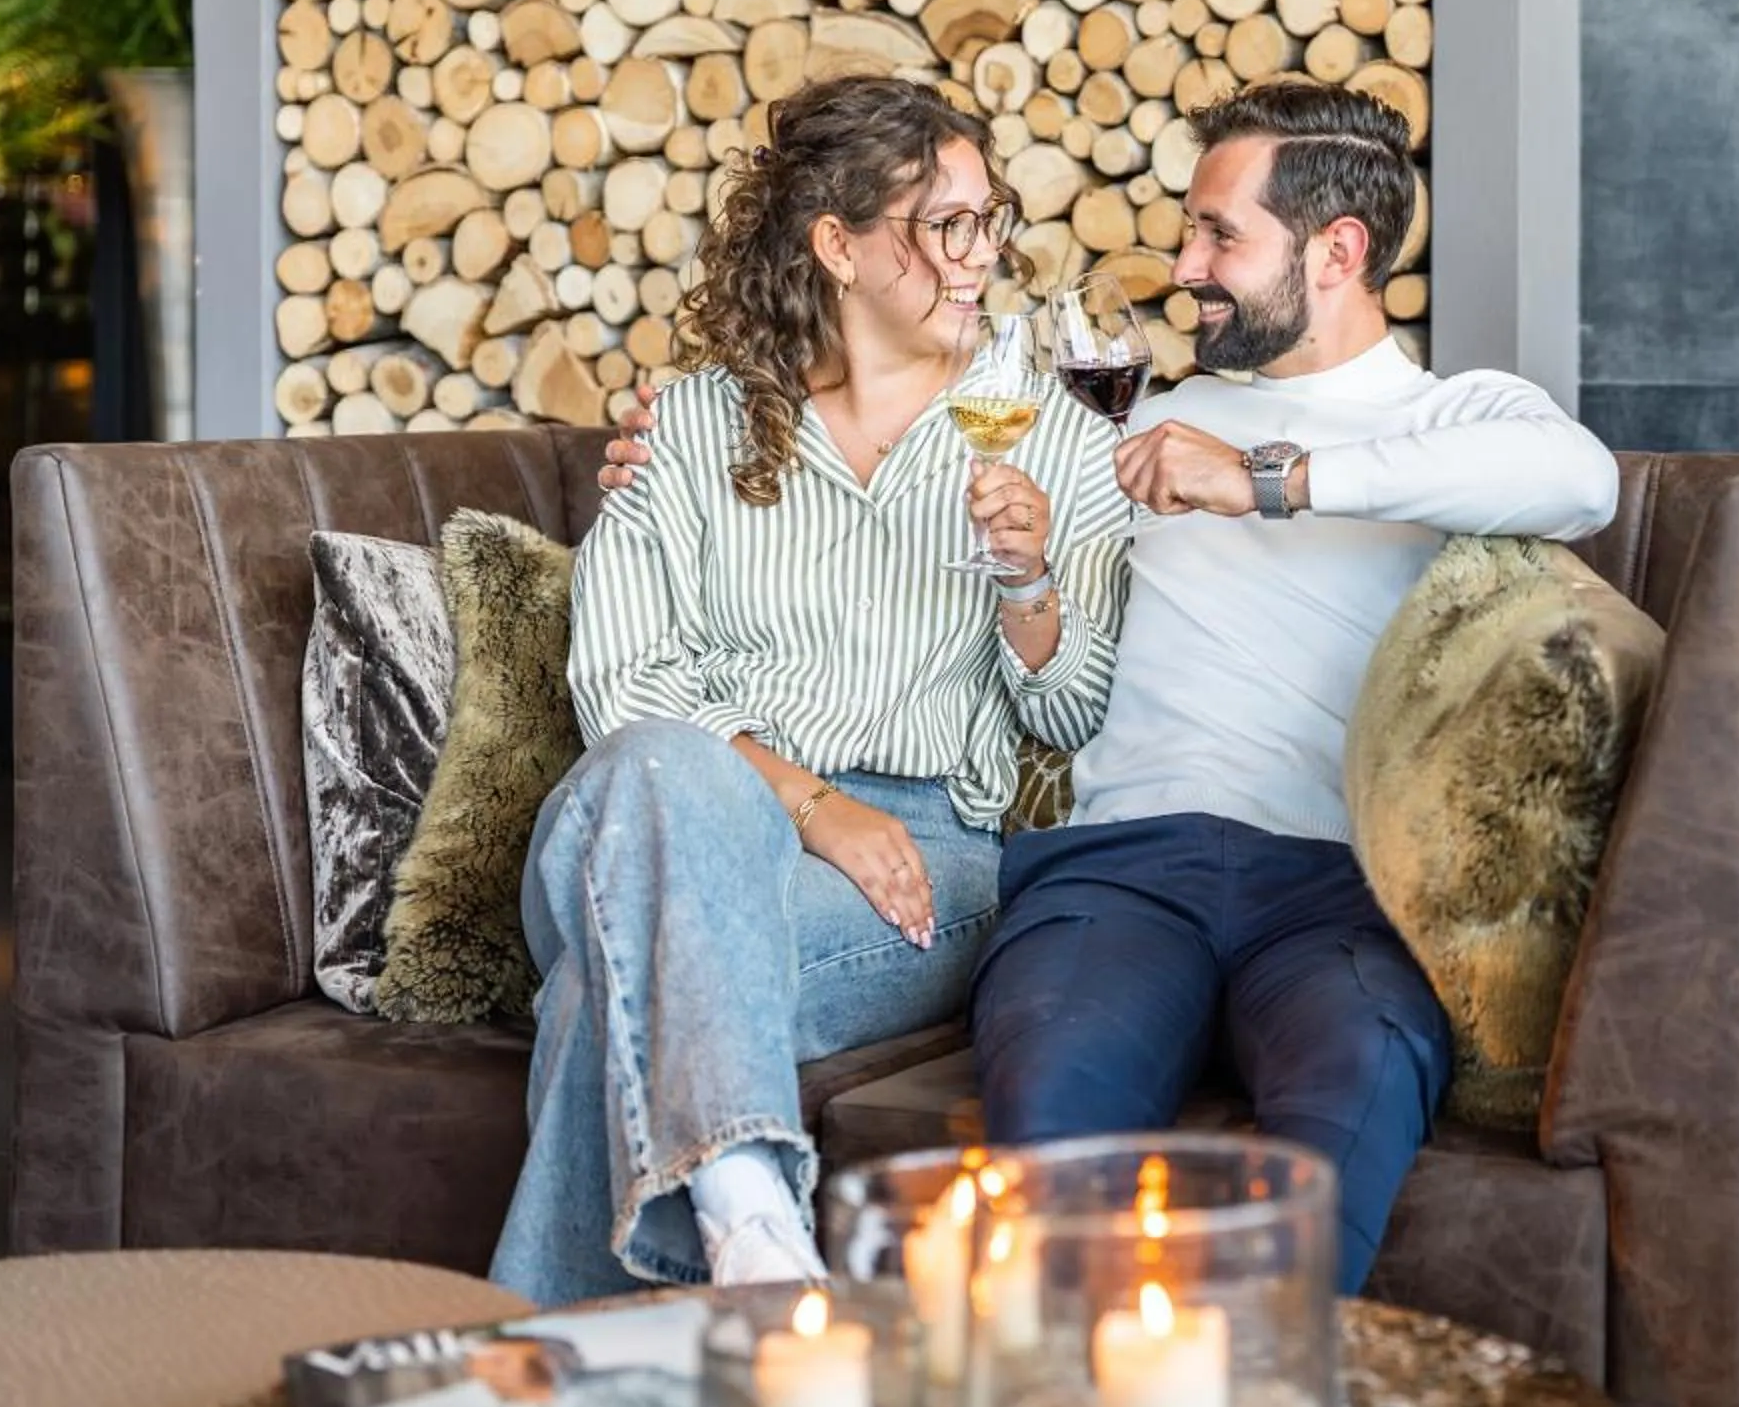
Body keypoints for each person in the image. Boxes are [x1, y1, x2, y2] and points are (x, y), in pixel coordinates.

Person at [602, 80, 1620, 1293]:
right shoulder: (1128, 423)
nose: (1183, 266)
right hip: (1120, 870)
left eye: (1218, 236)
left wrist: (1267, 481)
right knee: (1050, 1094)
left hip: (1340, 892)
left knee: (1361, 1076)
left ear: (1337, 251)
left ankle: (1251, 1399)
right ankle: (1051, 1392)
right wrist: (691, 430)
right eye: (1188, 230)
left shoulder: (1445, 419)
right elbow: (927, 433)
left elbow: (1580, 479)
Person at [494, 72, 1128, 1306]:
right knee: (663, 767)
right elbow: (624, 685)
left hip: (924, 856)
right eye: (946, 224)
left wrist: (1029, 579)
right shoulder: (692, 424)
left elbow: (1069, 713)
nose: (980, 254)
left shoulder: (1051, 433)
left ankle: (598, 1323)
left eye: (990, 219)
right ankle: (749, 1233)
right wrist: (809, 802)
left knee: (593, 990)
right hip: (662, 810)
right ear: (838, 244)